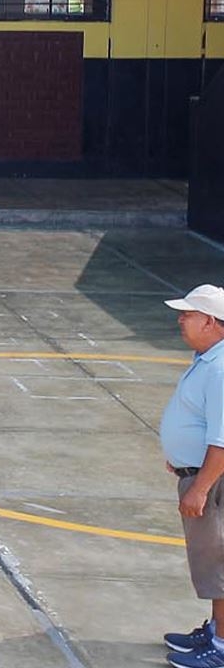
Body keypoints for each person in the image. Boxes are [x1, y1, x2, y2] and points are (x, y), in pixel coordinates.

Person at [159, 285, 224, 666]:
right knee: (213, 562)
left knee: (219, 563)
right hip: (201, 472)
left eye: (188, 313)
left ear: (211, 322)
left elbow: (222, 438)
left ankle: (220, 650)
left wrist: (199, 487)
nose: (180, 319)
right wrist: (181, 456)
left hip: (212, 481)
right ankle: (216, 631)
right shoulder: (207, 359)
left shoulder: (220, 368)